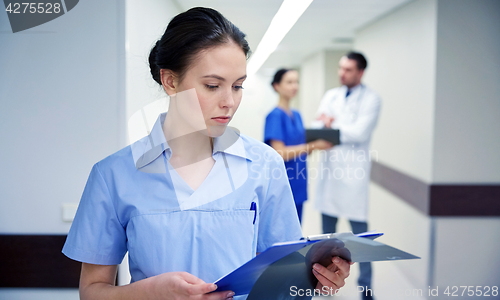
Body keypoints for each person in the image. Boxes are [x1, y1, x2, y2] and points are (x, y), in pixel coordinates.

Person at [62, 7, 351, 300]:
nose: (229, 102)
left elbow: (286, 280)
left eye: (238, 86)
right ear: (170, 81)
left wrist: (315, 282)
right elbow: (92, 292)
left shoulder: (264, 165)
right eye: (213, 86)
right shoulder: (113, 175)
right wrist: (151, 293)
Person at [313, 51, 381, 300]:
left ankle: (366, 290)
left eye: (348, 69)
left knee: (362, 242)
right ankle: (322, 286)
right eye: (341, 68)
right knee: (325, 240)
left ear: (360, 72)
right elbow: (317, 126)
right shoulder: (331, 95)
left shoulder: (372, 99)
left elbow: (360, 133)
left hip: (353, 177)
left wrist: (332, 124)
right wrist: (331, 126)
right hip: (331, 175)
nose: (342, 73)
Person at [264, 69, 332, 223]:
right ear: (276, 86)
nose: (294, 86)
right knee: (283, 237)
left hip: (299, 181)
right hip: (282, 183)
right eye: (289, 82)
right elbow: (279, 153)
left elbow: (302, 150)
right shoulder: (274, 116)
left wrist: (320, 138)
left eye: (296, 82)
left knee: (297, 231)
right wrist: (313, 146)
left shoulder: (297, 115)